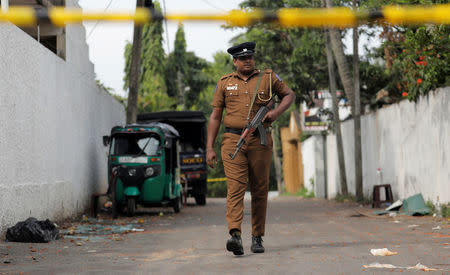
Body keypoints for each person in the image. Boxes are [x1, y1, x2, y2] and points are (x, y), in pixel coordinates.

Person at [206, 42, 295, 255]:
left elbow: (289, 95)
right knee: (235, 188)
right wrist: (209, 147)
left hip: (260, 141)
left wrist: (275, 114)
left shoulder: (268, 78)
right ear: (235, 61)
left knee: (259, 189)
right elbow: (216, 116)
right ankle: (235, 234)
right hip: (232, 140)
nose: (248, 61)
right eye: (243, 58)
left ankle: (257, 236)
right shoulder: (225, 82)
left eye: (250, 57)